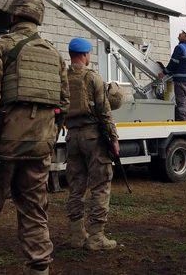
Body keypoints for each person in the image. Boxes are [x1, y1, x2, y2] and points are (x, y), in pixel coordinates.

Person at [0, 0, 70, 275]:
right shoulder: (54, 54)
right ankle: (39, 268)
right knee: (35, 211)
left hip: (2, 146)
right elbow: (64, 103)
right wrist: (47, 135)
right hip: (40, 147)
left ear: (13, 15)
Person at [65, 37, 120, 251]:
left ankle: (77, 235)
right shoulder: (93, 78)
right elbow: (104, 112)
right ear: (85, 55)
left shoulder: (64, 78)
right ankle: (96, 236)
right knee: (100, 185)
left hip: (72, 137)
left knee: (76, 187)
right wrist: (113, 139)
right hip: (92, 137)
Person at [160, 28, 186, 121]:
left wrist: (164, 72)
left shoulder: (179, 48)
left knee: (181, 102)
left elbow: (173, 63)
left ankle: (182, 122)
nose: (180, 34)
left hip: (180, 81)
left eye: (182, 33)